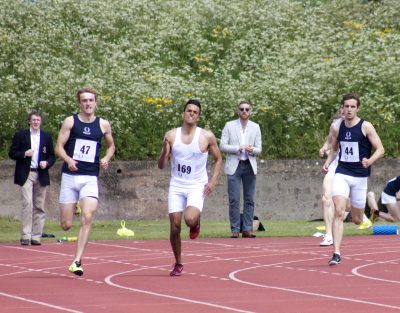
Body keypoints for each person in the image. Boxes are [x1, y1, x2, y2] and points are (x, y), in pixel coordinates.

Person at [158, 99, 222, 276]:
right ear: (183, 114)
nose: (191, 114)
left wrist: (213, 181)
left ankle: (196, 222)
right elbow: (161, 165)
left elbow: (218, 159)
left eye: (195, 112)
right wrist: (165, 150)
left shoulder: (206, 136)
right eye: (189, 111)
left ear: (198, 116)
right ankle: (178, 262)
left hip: (196, 185)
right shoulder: (171, 135)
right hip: (177, 184)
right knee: (175, 227)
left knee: (189, 219)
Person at [55, 86, 115, 276]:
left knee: (88, 217)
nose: (88, 103)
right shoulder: (70, 122)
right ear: (79, 103)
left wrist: (106, 158)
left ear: (95, 102)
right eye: (84, 101)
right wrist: (69, 160)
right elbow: (59, 147)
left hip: (90, 177)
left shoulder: (103, 124)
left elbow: (111, 145)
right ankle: (75, 206)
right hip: (70, 177)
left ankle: (77, 261)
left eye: (91, 100)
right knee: (66, 225)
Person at [322, 93, 384, 265]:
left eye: (352, 107)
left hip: (360, 176)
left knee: (357, 220)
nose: (349, 110)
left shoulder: (366, 127)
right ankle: (336, 253)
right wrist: (328, 163)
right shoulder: (337, 127)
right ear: (342, 107)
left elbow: (380, 149)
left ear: (357, 108)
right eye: (346, 106)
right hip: (342, 172)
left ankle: (358, 211)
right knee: (339, 212)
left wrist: (370, 160)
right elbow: (335, 149)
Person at [9, 110, 55, 246]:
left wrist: (46, 163)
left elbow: (52, 156)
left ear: (41, 122)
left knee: (39, 206)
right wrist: (24, 154)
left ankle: (36, 236)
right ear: (29, 121)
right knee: (28, 204)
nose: (35, 122)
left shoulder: (46, 137)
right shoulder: (21, 135)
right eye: (33, 120)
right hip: (26, 173)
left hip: (41, 174)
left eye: (38, 120)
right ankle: (25, 235)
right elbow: (12, 152)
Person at [220, 100, 262, 238]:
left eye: (247, 109)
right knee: (234, 199)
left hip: (249, 166)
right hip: (234, 166)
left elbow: (259, 149)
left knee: (249, 199)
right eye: (242, 109)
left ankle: (248, 229)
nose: (244, 111)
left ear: (250, 111)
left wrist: (251, 150)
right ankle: (235, 229)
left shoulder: (255, 127)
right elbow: (222, 146)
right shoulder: (229, 125)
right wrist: (238, 148)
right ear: (238, 111)